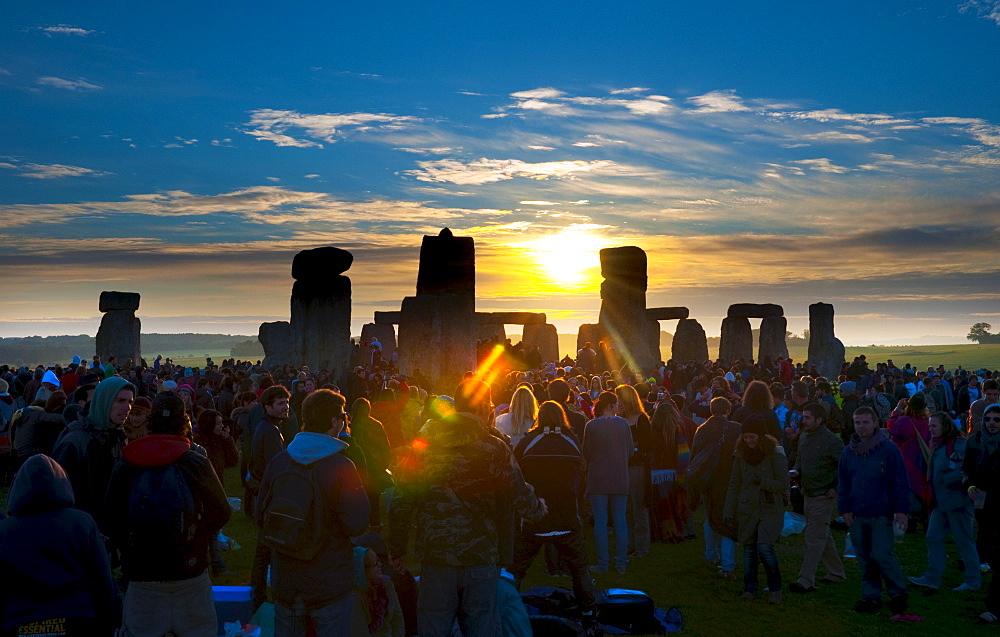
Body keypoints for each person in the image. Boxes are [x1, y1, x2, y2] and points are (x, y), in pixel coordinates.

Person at [387, 379, 547, 637]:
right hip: (480, 554)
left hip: (436, 553)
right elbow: (519, 495)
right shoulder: (494, 448)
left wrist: (397, 547)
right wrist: (538, 508)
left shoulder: (424, 446)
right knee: (481, 627)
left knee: (434, 628)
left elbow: (403, 499)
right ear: (485, 407)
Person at [103, 391, 231, 637]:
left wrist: (129, 547)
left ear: (151, 421)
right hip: (190, 572)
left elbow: (110, 520)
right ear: (184, 421)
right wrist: (198, 534)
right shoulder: (195, 461)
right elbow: (222, 511)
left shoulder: (128, 462)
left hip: (142, 576)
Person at [255, 389, 370, 637]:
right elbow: (358, 523)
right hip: (329, 581)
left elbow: (259, 515)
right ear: (334, 422)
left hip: (286, 579)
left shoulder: (280, 461)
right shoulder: (341, 466)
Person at [0, 454, 117, 636]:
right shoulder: (81, 523)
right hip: (78, 618)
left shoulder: (4, 530)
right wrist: (108, 621)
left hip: (20, 620)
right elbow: (102, 580)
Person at [510, 401, 596, 618]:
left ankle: (506, 611)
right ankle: (588, 613)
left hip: (534, 517)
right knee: (579, 569)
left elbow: (515, 476)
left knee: (517, 568)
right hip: (567, 517)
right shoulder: (572, 441)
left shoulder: (529, 442)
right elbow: (583, 474)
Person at [838, 407, 910, 615]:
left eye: (865, 422)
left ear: (875, 423)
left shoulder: (888, 450)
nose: (861, 426)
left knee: (881, 554)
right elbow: (844, 483)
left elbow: (899, 481)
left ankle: (898, 593)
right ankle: (871, 597)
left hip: (881, 514)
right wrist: (844, 509)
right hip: (857, 514)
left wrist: (901, 510)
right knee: (864, 558)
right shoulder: (848, 452)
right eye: (857, 422)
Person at [909, 411, 980, 592]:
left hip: (958, 503)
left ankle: (972, 582)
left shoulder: (958, 444)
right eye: (930, 425)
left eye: (934, 425)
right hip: (941, 503)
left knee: (964, 542)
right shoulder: (939, 445)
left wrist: (947, 478)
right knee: (933, 537)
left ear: (944, 426)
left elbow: (969, 468)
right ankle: (932, 577)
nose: (930, 429)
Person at [724, 415, 789, 604]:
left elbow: (783, 483)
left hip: (769, 507)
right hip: (747, 507)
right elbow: (734, 483)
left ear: (760, 436)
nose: (748, 441)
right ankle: (749, 587)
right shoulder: (740, 455)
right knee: (749, 549)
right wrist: (729, 509)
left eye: (752, 437)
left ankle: (775, 587)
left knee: (764, 547)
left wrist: (763, 482)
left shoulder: (774, 454)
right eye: (745, 437)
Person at [52, 376, 134, 518]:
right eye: (120, 400)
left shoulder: (118, 437)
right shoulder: (75, 442)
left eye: (130, 402)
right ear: (104, 401)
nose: (127, 407)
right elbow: (59, 495)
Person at [789, 403, 846, 593]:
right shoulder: (805, 437)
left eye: (807, 418)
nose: (803, 421)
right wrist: (797, 471)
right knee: (822, 534)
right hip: (808, 494)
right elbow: (800, 456)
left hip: (823, 495)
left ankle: (805, 580)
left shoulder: (832, 442)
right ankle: (836, 572)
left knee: (813, 537)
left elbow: (846, 468)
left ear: (819, 420)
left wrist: (836, 488)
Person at [246, 384, 292, 612]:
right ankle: (262, 599)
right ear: (268, 406)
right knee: (268, 551)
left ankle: (259, 597)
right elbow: (276, 469)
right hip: (269, 499)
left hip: (262, 495)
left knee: (264, 551)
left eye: (287, 403)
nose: (286, 407)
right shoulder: (271, 432)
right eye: (281, 403)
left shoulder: (268, 427)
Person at [581, 391, 633, 575]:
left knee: (601, 522)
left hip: (598, 477)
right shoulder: (623, 424)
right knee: (620, 520)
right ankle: (621, 563)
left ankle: (603, 564)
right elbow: (630, 450)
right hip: (620, 476)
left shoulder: (592, 426)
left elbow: (586, 453)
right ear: (610, 405)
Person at [691, 396, 741, 579]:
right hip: (730, 479)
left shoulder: (702, 430)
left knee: (710, 517)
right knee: (728, 520)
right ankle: (728, 563)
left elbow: (695, 456)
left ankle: (711, 553)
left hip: (708, 479)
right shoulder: (736, 429)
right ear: (728, 410)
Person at [615, 384, 652, 560]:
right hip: (622, 467)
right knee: (625, 509)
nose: (618, 402)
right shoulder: (619, 419)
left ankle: (642, 546)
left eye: (620, 399)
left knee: (639, 508)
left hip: (636, 468)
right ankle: (629, 544)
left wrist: (633, 450)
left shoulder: (641, 419)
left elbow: (646, 445)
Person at [647, 400, 692, 543]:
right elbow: (684, 454)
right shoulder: (677, 429)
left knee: (660, 507)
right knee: (674, 506)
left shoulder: (652, 430)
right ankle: (675, 531)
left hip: (655, 474)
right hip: (672, 473)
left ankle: (660, 532)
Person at [965, 402, 1000, 574]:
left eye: (996, 419)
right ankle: (983, 560)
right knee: (985, 529)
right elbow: (967, 468)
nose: (992, 423)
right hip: (982, 494)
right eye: (988, 419)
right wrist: (970, 485)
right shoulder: (975, 441)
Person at [887, 394, 932, 522]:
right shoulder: (927, 422)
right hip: (921, 458)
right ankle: (922, 514)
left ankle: (909, 517)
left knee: (907, 488)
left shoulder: (904, 421)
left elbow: (892, 427)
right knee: (921, 486)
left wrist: (897, 409)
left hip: (905, 458)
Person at [351, 546, 405, 637]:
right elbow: (360, 633)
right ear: (364, 569)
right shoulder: (355, 597)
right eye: (375, 563)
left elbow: (397, 619)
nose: (380, 564)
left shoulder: (387, 585)